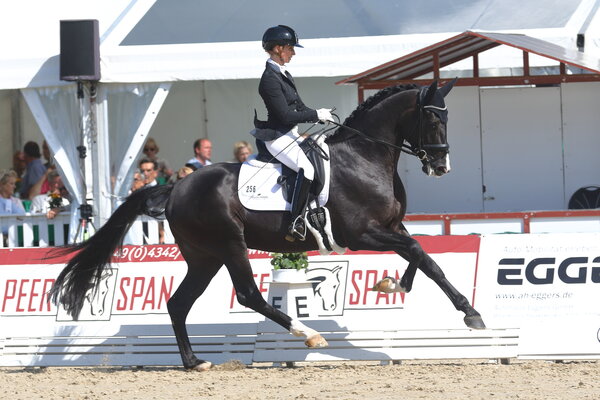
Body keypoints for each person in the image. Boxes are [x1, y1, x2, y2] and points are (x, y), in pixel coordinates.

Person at [251, 25, 334, 241]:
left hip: (290, 134)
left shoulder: (283, 74)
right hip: (277, 137)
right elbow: (285, 115)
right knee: (307, 170)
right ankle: (295, 222)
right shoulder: (269, 79)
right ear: (278, 48)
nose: (293, 53)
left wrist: (319, 114)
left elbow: (299, 107)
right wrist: (315, 115)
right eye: (290, 48)